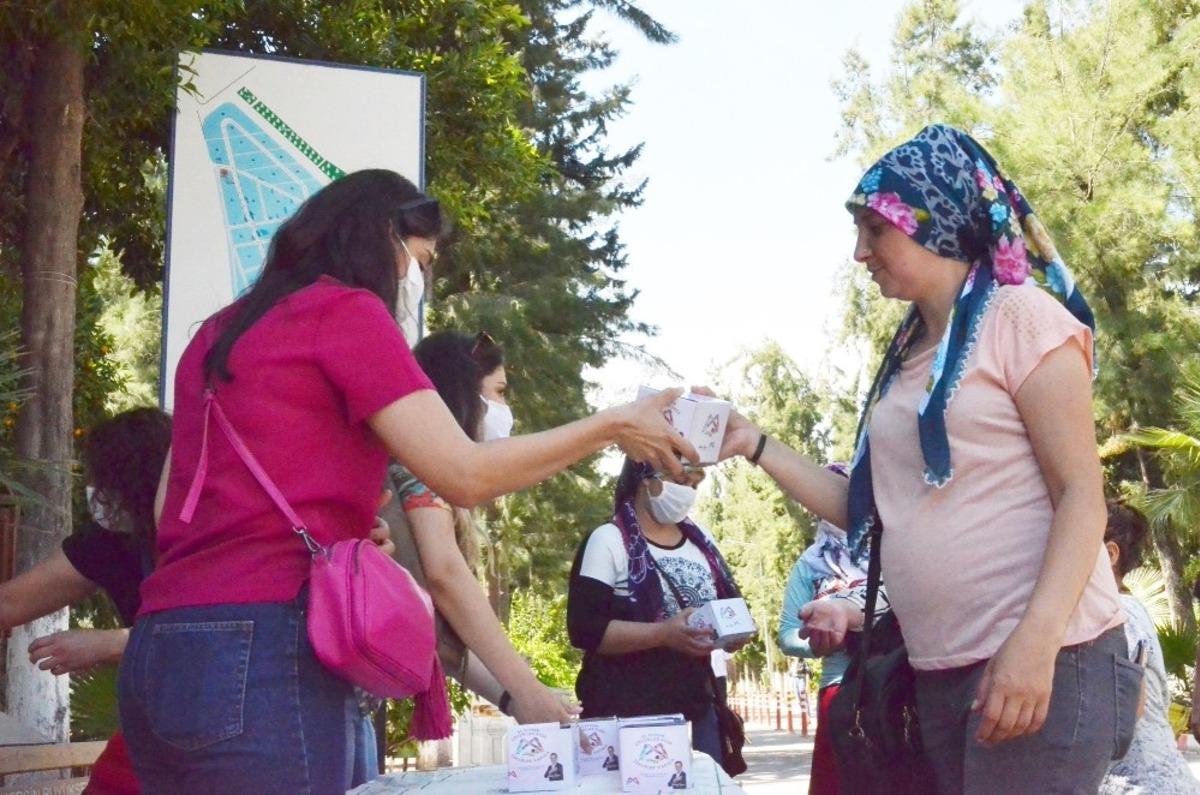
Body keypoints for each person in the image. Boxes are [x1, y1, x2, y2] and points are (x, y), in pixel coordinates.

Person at [118, 169, 694, 794]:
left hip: (159, 648)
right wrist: (611, 426)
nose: (413, 279)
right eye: (418, 258)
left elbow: (167, 508)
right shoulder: (344, 311)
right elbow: (464, 473)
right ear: (382, 236)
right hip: (267, 649)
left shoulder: (213, 334)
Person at [710, 124, 1136, 794]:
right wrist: (753, 443)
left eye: (874, 231)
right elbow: (870, 510)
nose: (859, 253)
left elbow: (1082, 494)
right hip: (940, 676)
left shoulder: (1021, 317)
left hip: (1046, 659)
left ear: (933, 224)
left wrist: (1035, 644)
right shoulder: (909, 353)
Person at [386, 329, 574, 723]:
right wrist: (525, 690)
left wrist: (523, 697)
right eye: (499, 391)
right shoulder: (423, 471)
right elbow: (446, 576)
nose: (506, 409)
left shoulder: (417, 470)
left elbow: (447, 638)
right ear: (463, 395)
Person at [0, 408, 171, 795]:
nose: (97, 492)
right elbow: (10, 603)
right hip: (150, 729)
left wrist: (107, 644)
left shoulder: (217, 539)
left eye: (107, 480)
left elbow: (215, 635)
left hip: (230, 730)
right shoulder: (111, 540)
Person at [567, 457, 751, 764]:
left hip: (697, 711)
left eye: (694, 484)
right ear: (645, 479)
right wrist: (662, 634)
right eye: (680, 482)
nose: (688, 492)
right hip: (624, 720)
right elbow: (585, 629)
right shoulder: (609, 540)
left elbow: (723, 606)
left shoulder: (702, 544)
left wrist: (730, 632)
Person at [778, 465, 874, 795]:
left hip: (898, 682)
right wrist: (822, 643)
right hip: (840, 689)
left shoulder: (891, 545)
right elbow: (788, 634)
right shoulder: (810, 564)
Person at [1101, 501, 1200, 794]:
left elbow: (1131, 703)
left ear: (1110, 555)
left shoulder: (1114, 613)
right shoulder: (1127, 608)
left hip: (1140, 785)